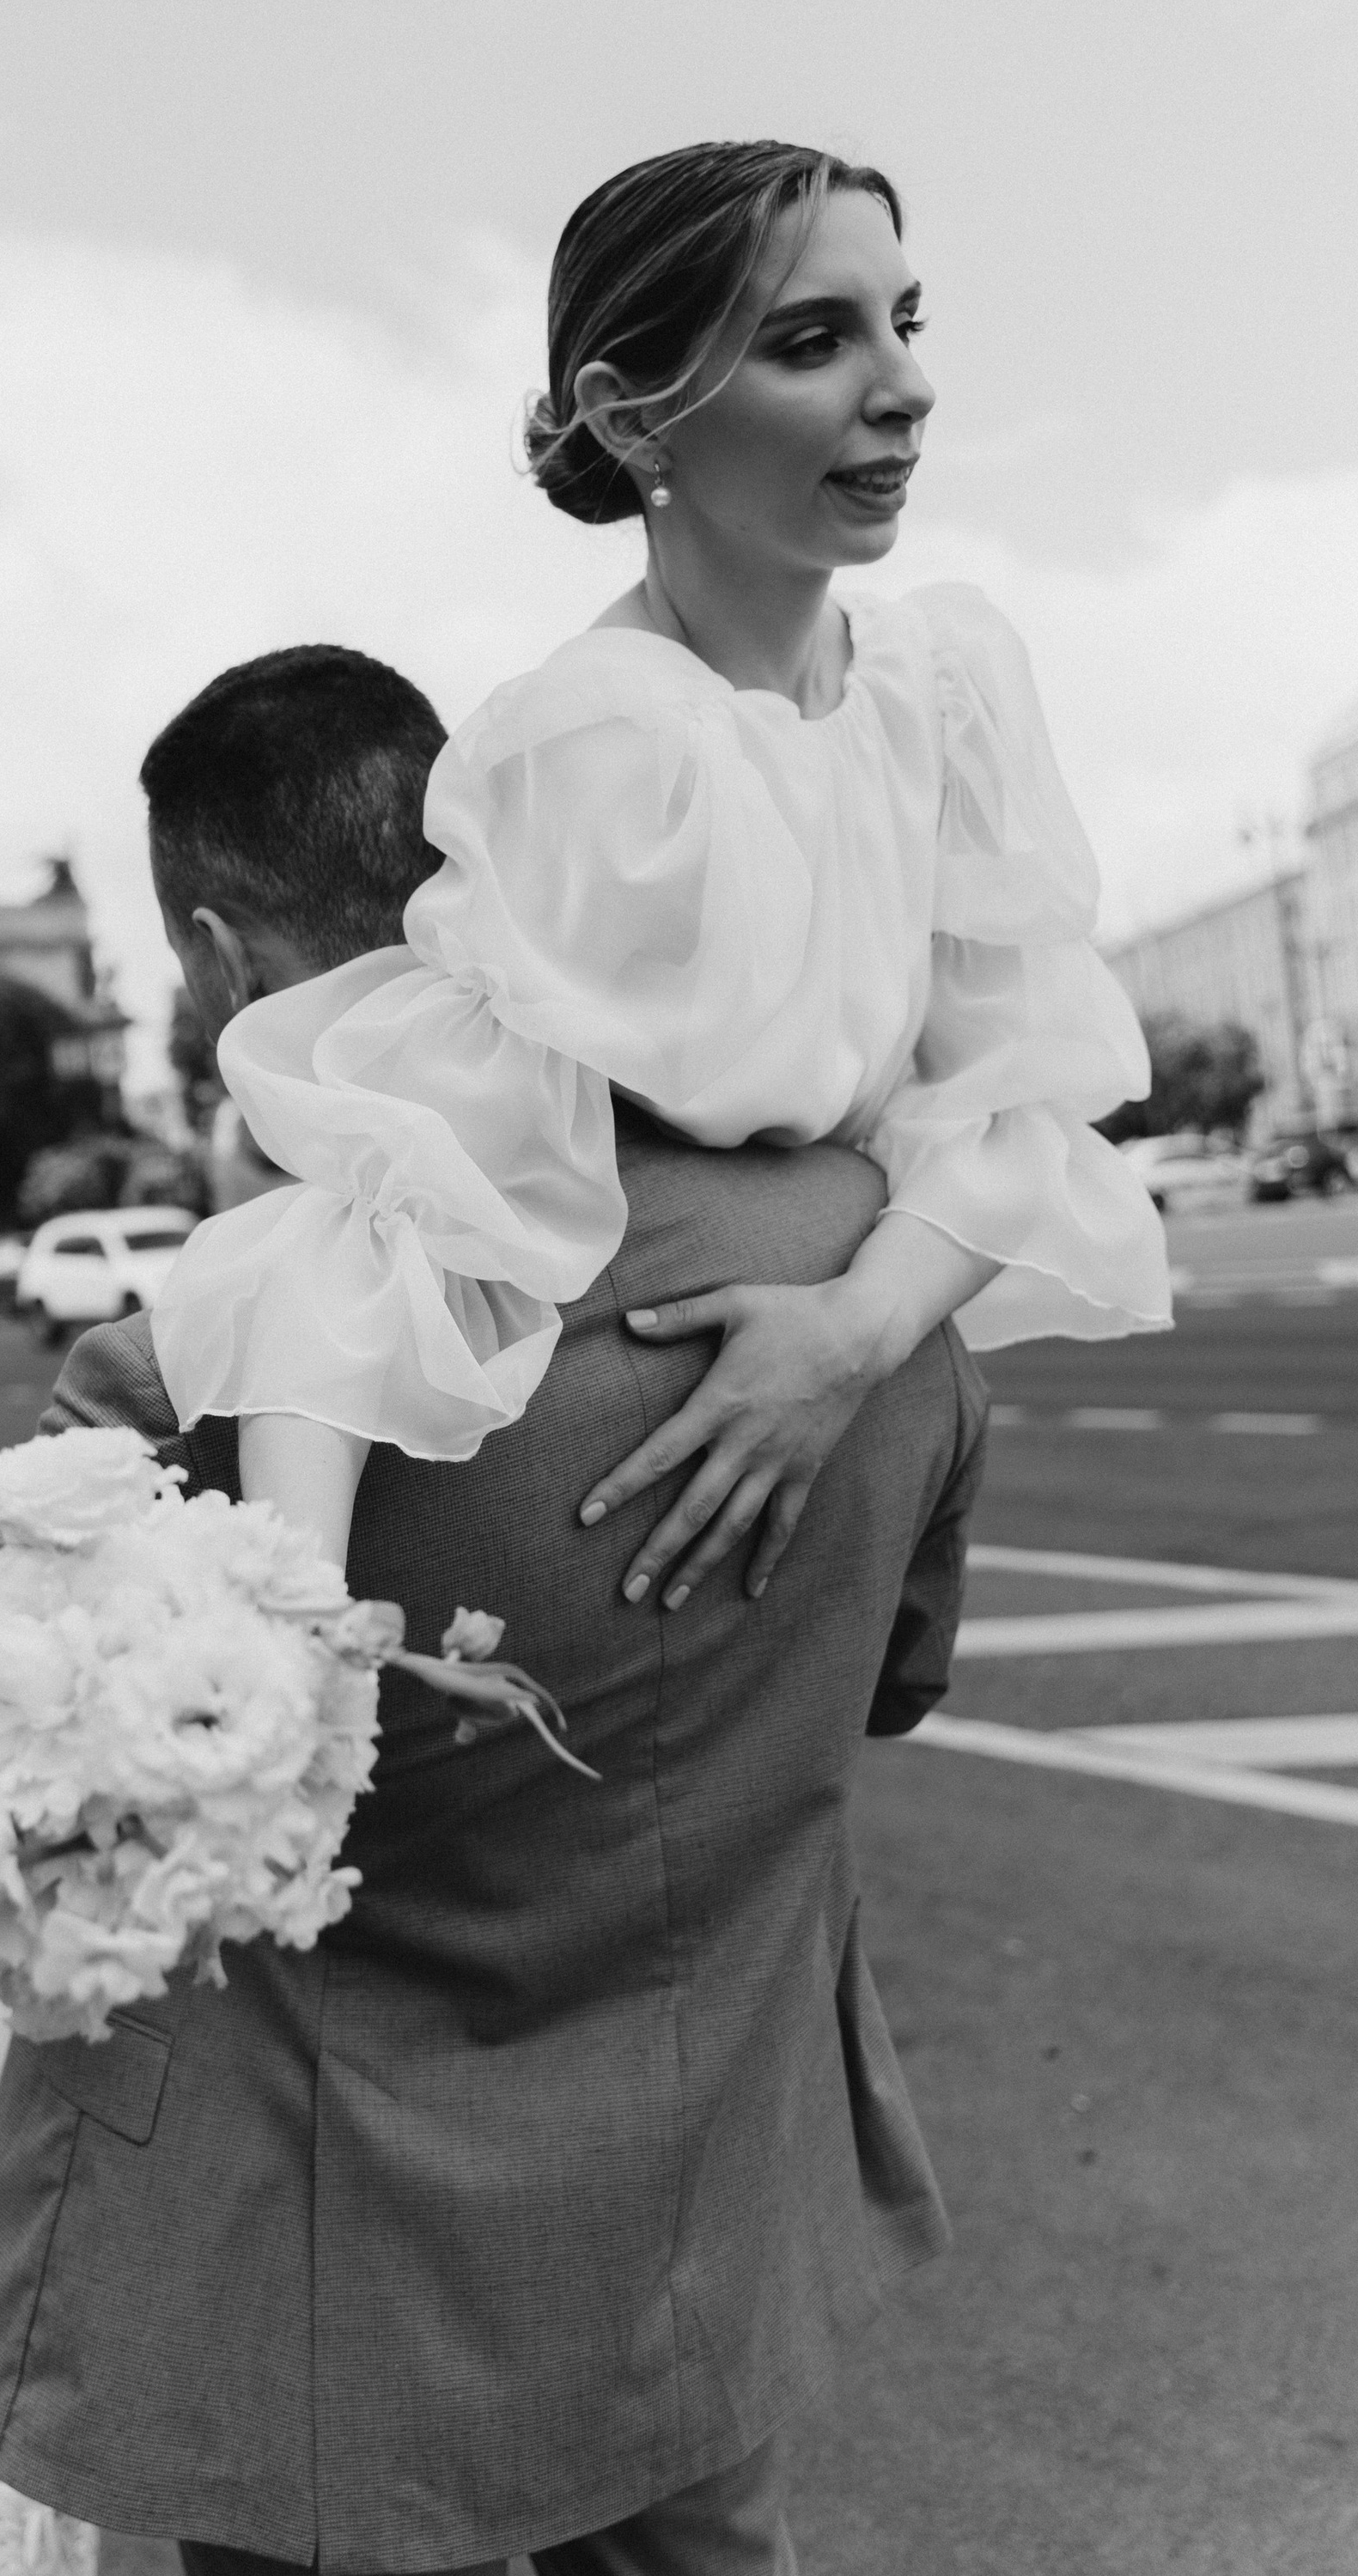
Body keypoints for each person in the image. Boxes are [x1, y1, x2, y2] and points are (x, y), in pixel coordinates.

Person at [0, 641, 987, 2576]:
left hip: (328, 2272)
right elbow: (892, 1682)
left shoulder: (180, 1371)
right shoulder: (872, 1277)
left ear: (217, 957)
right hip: (690, 2184)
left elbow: (45, 1858)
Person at [150, 139, 1171, 1593]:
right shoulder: (597, 744)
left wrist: (853, 1334)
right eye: (814, 341)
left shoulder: (941, 687)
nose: (907, 385)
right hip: (622, 1434)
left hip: (871, 1386)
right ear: (634, 419)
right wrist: (288, 1621)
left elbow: (1012, 1095)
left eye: (905, 321)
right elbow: (407, 1197)